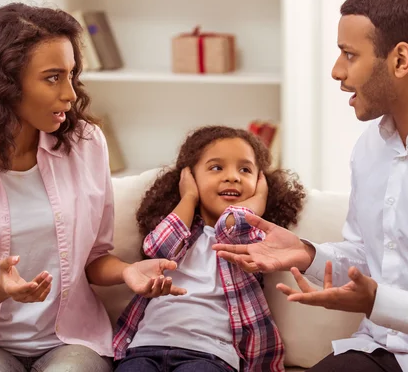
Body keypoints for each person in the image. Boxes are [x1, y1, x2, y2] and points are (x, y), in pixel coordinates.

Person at [213, 0, 408, 372]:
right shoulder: (371, 146)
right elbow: (368, 259)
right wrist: (309, 254)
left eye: (350, 54)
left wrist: (380, 302)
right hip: (376, 351)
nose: (337, 71)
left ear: (401, 60)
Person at [0, 3, 185, 372]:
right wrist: (2, 289)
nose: (71, 94)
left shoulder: (86, 143)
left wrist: (126, 272)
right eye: (53, 77)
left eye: (72, 75)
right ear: (4, 84)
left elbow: (95, 259)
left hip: (70, 340)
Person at [112, 126, 306, 371]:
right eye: (217, 167)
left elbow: (232, 224)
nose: (233, 176)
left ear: (259, 183)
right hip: (145, 346)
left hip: (210, 355)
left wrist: (259, 201)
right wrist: (189, 198)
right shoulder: (180, 230)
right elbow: (157, 249)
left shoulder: (254, 236)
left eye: (245, 170)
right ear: (190, 178)